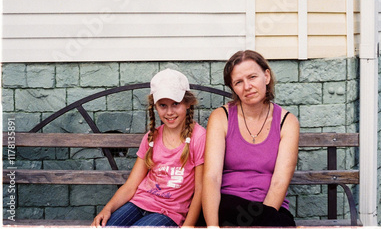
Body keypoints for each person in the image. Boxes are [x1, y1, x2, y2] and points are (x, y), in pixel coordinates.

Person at [91, 69, 205, 227]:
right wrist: (107, 209)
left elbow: (201, 189)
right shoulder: (152, 137)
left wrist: (188, 226)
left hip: (168, 213)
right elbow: (131, 185)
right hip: (138, 204)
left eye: (176, 104)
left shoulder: (198, 138)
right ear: (155, 106)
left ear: (187, 103)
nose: (170, 112)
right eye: (163, 105)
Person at [202, 50, 300, 227]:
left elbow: (279, 183)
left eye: (252, 77)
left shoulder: (287, 122)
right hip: (226, 205)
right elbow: (211, 177)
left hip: (269, 209)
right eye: (239, 82)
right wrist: (212, 226)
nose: (247, 86)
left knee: (282, 223)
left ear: (267, 76)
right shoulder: (221, 117)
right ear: (233, 88)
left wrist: (260, 224)